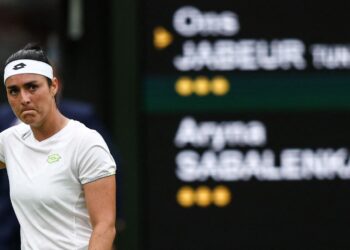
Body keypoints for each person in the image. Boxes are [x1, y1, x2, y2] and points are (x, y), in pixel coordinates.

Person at [0, 43, 117, 249]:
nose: (24, 98)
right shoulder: (9, 141)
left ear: (53, 86)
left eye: (32, 87)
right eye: (14, 91)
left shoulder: (86, 142)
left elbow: (104, 227)